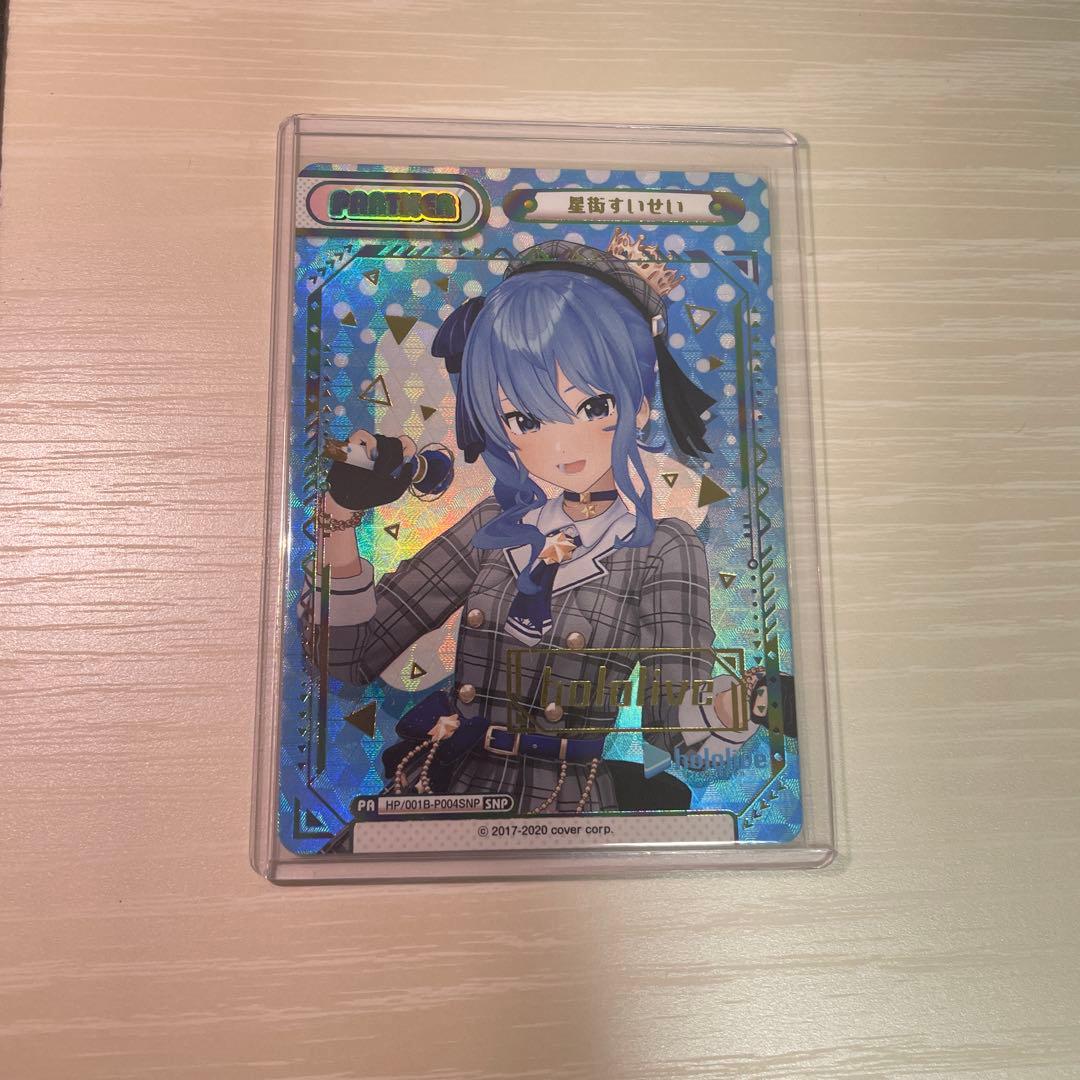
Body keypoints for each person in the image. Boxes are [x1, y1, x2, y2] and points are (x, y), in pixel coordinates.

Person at [309, 235, 765, 814]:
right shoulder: (496, 527)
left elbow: (672, 731)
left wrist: (739, 707)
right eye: (525, 419)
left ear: (639, 405)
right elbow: (348, 658)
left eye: (593, 407)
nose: (561, 445)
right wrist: (341, 514)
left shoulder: (659, 548)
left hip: (562, 801)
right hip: (447, 792)